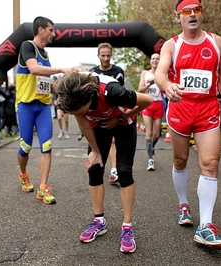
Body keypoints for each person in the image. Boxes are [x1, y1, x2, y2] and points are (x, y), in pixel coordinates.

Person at [155, 0, 221, 250]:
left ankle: (205, 226)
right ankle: (183, 204)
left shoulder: (216, 42)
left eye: (196, 10)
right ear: (178, 17)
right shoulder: (172, 45)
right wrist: (167, 86)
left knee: (210, 164)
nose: (191, 15)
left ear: (201, 14)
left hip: (208, 109)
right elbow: (160, 73)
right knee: (180, 161)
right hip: (181, 108)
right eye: (186, 12)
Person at [55, 72, 153, 253]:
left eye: (79, 110)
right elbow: (84, 124)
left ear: (88, 97)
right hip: (100, 125)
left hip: (124, 121)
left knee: (124, 172)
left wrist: (120, 117)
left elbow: (147, 100)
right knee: (94, 168)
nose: (78, 114)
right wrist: (95, 152)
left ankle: (127, 227)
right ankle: (99, 221)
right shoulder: (73, 97)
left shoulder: (113, 92)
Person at [15, 16, 78, 204]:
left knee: (47, 146)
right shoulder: (28, 46)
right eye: (51, 30)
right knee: (25, 146)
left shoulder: (46, 54)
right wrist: (62, 69)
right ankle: (23, 174)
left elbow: (43, 80)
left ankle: (43, 187)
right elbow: (33, 69)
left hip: (43, 106)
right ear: (40, 30)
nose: (54, 33)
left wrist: (61, 87)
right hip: (26, 104)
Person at [90, 42, 124, 184]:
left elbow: (121, 95)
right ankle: (98, 166)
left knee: (113, 141)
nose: (106, 58)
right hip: (96, 114)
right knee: (98, 143)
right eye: (103, 55)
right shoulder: (92, 72)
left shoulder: (118, 71)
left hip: (112, 112)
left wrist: (118, 116)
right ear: (98, 55)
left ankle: (114, 170)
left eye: (108, 56)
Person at [138, 53, 164, 171]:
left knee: (156, 135)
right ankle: (150, 159)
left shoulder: (163, 74)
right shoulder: (145, 73)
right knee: (148, 130)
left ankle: (151, 147)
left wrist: (159, 83)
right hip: (148, 103)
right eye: (153, 58)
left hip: (158, 104)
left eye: (157, 59)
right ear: (150, 61)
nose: (155, 61)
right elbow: (140, 90)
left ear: (160, 61)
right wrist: (150, 84)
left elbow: (164, 89)